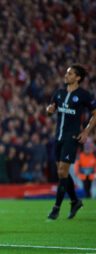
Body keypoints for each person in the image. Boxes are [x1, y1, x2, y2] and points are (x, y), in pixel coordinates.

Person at [46, 64, 96, 220]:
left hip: (71, 137)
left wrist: (86, 131)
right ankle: (75, 201)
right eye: (66, 73)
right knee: (63, 172)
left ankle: (56, 208)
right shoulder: (59, 93)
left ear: (78, 78)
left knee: (62, 171)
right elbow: (52, 109)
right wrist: (49, 110)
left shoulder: (83, 95)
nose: (66, 75)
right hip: (58, 137)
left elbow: (95, 113)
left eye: (70, 73)